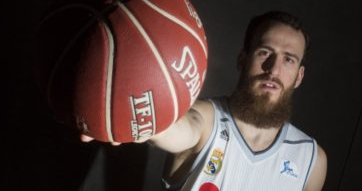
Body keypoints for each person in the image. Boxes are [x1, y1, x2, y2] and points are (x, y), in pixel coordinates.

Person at [82, 11, 327, 191]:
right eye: (264, 52)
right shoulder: (207, 119)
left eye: (289, 60)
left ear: (299, 76)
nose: (273, 69)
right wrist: (128, 112)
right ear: (242, 60)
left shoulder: (311, 159)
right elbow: (177, 127)